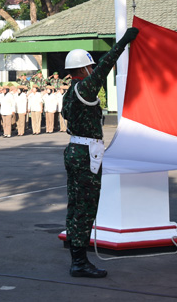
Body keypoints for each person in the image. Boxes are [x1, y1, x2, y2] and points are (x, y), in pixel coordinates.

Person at [62, 27, 138, 279]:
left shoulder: (68, 94)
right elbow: (106, 65)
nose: (93, 71)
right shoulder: (84, 88)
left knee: (75, 203)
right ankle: (79, 262)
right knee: (85, 206)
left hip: (75, 149)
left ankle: (74, 247)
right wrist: (123, 42)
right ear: (83, 69)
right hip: (85, 153)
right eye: (90, 67)